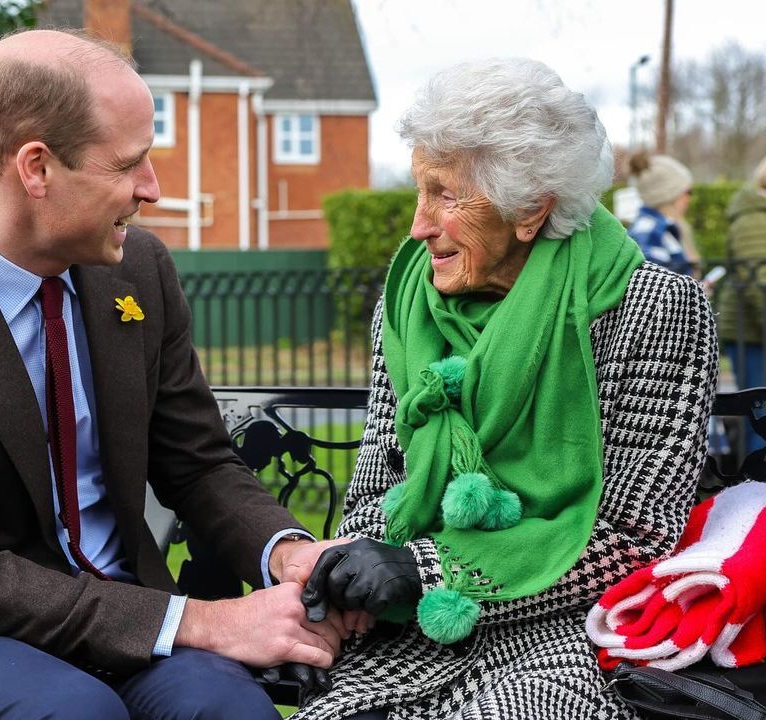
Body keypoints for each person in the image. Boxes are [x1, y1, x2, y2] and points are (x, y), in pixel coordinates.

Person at [0, 28, 347, 720]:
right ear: (37, 169)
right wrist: (206, 622)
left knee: (226, 712)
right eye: (129, 164)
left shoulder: (140, 273)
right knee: (77, 715)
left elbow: (199, 463)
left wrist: (288, 553)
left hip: (128, 612)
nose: (152, 188)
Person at [292, 58, 718, 720]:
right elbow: (377, 485)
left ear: (531, 210)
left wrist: (429, 570)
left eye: (446, 195)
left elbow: (637, 536)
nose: (418, 225)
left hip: (560, 636)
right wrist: (348, 578)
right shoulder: (405, 304)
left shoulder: (653, 308)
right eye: (418, 191)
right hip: (402, 634)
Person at [716, 154, 766, 452]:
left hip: (755, 331)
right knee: (760, 417)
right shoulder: (754, 218)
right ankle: (756, 493)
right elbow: (759, 285)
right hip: (752, 333)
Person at [626, 151, 698, 276]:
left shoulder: (661, 229)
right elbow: (658, 292)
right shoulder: (651, 234)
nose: (689, 198)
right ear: (670, 196)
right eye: (688, 191)